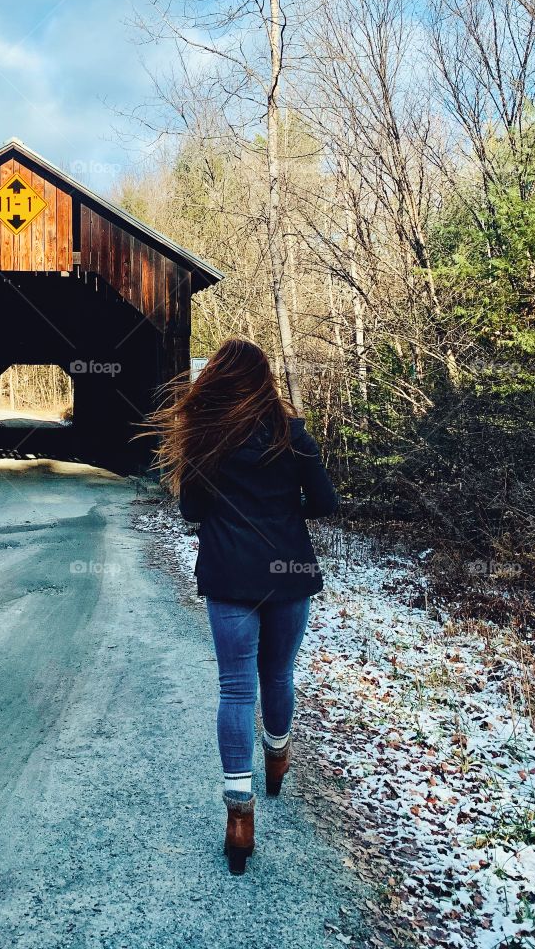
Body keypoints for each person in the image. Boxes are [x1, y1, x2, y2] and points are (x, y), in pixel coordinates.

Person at [150, 338, 339, 875]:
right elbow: (325, 503)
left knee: (235, 689)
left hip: (230, 577)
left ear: (219, 379)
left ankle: (239, 817)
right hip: (288, 574)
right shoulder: (292, 435)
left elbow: (191, 510)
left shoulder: (205, 437)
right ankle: (277, 757)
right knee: (278, 674)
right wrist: (282, 508)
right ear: (264, 381)